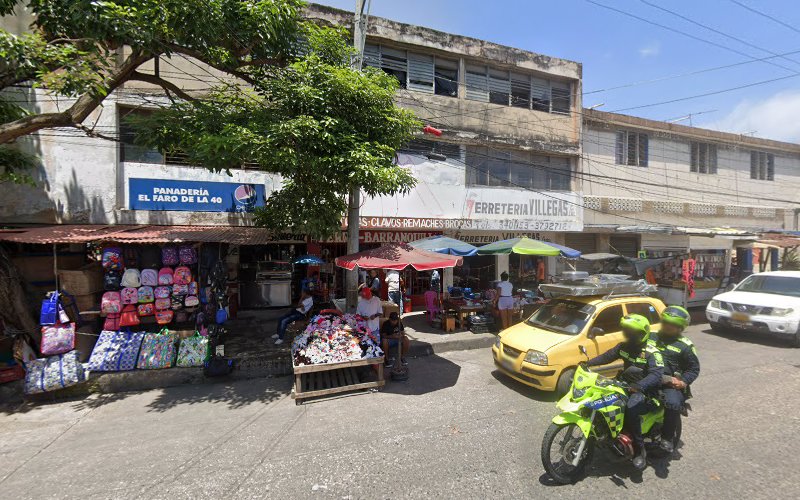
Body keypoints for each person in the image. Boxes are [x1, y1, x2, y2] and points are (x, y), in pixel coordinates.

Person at [586, 314, 665, 471]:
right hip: (624, 385)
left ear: (642, 333)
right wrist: (587, 363)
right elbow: (607, 356)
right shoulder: (624, 347)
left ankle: (639, 451)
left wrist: (640, 385)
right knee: (600, 398)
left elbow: (656, 375)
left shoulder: (651, 353)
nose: (629, 335)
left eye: (633, 333)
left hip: (645, 391)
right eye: (627, 332)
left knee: (630, 407)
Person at [649, 305, 700, 455]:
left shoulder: (685, 346)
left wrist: (683, 381)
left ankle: (667, 437)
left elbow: (694, 369)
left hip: (669, 383)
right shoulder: (650, 337)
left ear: (680, 328)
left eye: (672, 325)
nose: (667, 327)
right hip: (646, 377)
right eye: (665, 323)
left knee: (672, 404)